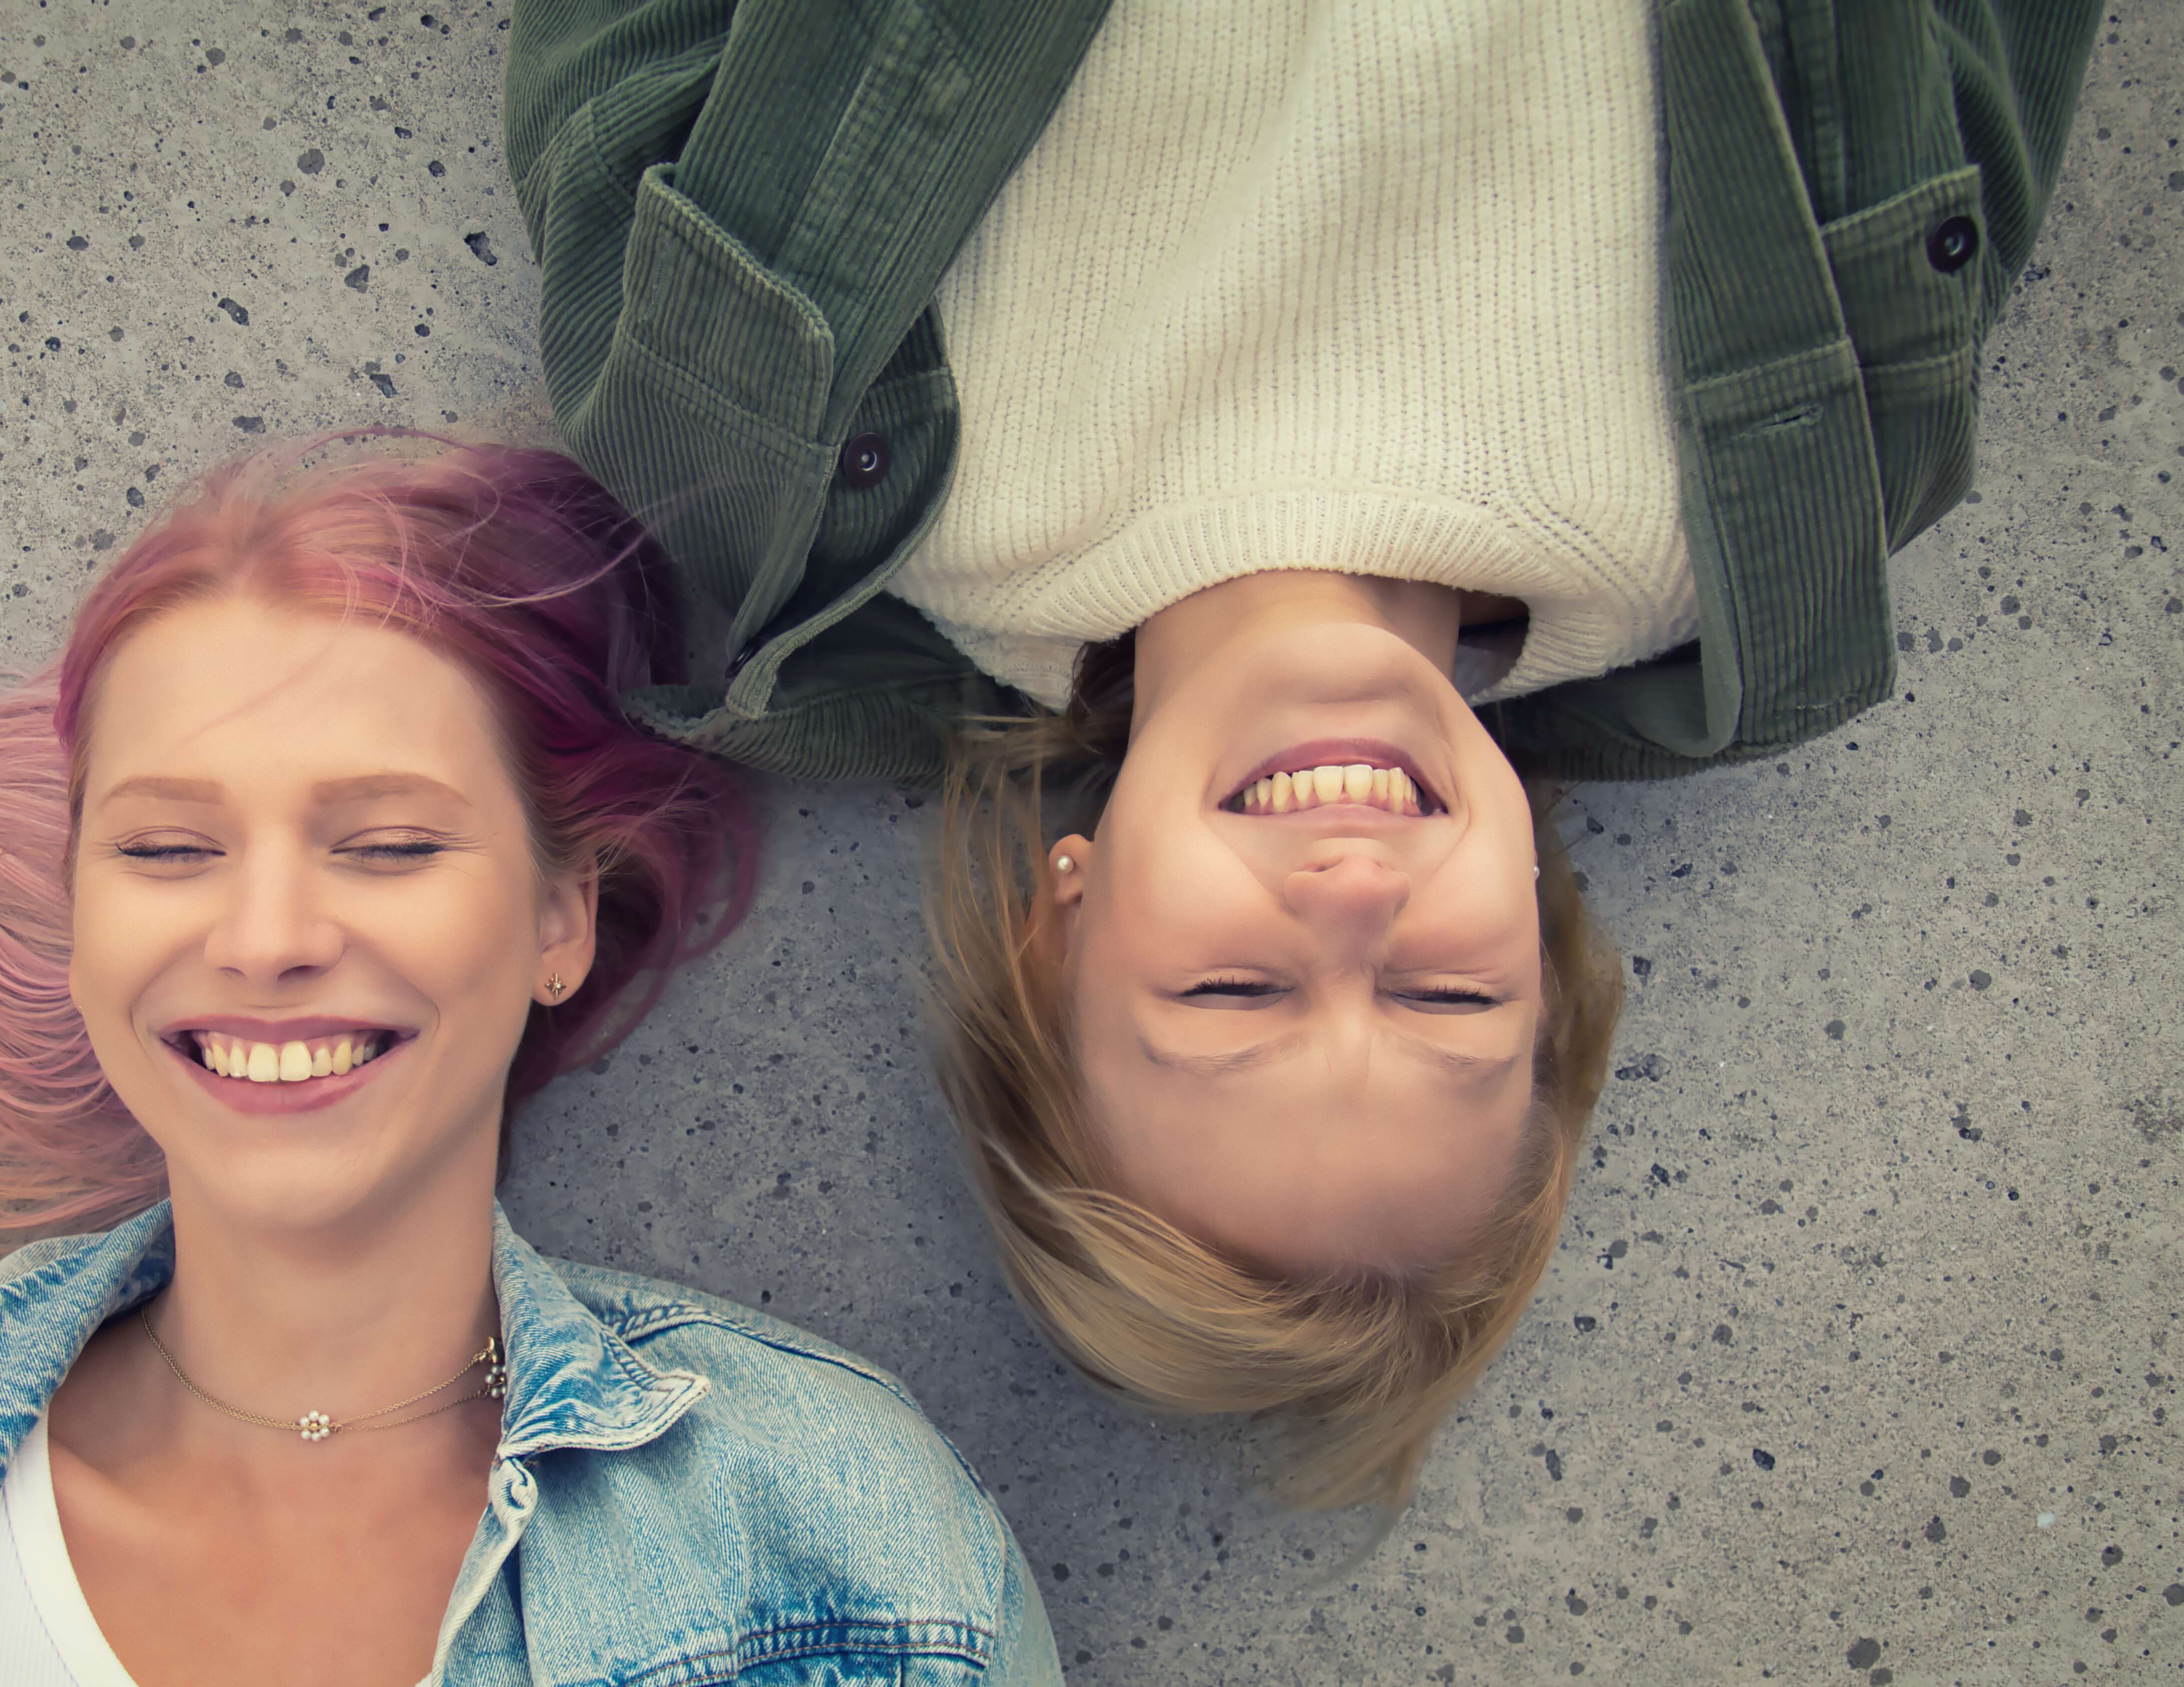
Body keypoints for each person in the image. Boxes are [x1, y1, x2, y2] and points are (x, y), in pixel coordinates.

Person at [501, 0, 2101, 1502]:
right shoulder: (1815, 469)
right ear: (1542, 932)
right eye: (1447, 997)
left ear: (1061, 920)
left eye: (1235, 993)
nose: (1348, 905)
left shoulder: (733, 439)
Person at [0, 438, 1084, 1687]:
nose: (262, 937)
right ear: (82, 921)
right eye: (168, 849)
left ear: (559, 920)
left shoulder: (844, 1556)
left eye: (385, 844)